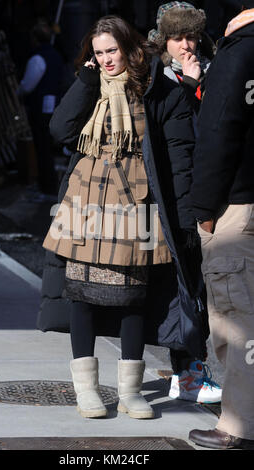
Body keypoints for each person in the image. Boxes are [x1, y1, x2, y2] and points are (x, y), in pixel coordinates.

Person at [40, 15, 206, 420]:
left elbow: (181, 157)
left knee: (134, 297)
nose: (106, 59)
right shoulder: (89, 86)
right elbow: (60, 130)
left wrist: (186, 220)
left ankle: (132, 392)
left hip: (136, 200)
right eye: (99, 53)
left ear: (129, 47)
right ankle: (87, 391)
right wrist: (84, 81)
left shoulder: (158, 88)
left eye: (111, 50)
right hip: (86, 199)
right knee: (80, 295)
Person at [148, 1, 221, 404]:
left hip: (209, 192)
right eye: (178, 37)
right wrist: (190, 90)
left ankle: (191, 369)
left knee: (209, 287)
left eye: (192, 36)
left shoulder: (213, 72)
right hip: (174, 197)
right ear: (164, 41)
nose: (187, 45)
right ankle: (188, 371)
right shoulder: (159, 78)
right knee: (185, 287)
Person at [189, 0, 254, 450]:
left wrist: (204, 209)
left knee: (237, 320)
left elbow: (219, 133)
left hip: (238, 202)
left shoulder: (239, 51)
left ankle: (237, 426)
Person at [17, 22, 64, 197]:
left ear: (34, 39)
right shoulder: (56, 55)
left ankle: (47, 185)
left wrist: (18, 91)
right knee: (47, 146)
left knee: (42, 146)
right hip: (53, 104)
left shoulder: (37, 58)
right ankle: (49, 183)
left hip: (39, 107)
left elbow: (28, 86)